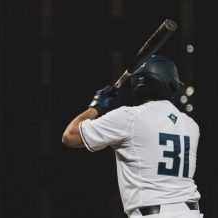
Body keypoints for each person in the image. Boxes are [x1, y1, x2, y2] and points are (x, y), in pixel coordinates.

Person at [62, 55, 203, 218]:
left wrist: (95, 108)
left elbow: (69, 136)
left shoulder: (129, 118)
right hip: (191, 212)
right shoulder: (191, 125)